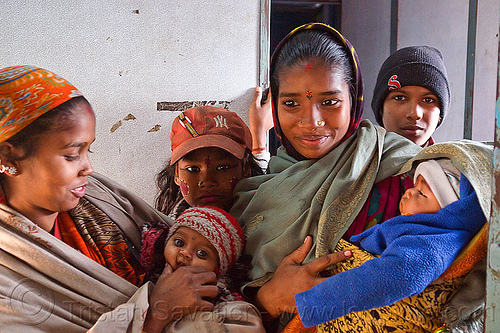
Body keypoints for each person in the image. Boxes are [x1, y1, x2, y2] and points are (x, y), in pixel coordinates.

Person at [229, 23, 492, 332]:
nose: (311, 120)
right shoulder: (254, 192)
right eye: (291, 103)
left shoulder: (411, 177)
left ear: (353, 99)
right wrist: (268, 298)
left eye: (329, 102)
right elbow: (221, 295)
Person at [0, 65, 220, 333]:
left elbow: (193, 238)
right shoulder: (7, 272)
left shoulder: (95, 195)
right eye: (71, 155)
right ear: (8, 157)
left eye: (88, 150)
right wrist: (156, 314)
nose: (88, 168)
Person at [293, 158, 485, 326]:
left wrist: (314, 301)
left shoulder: (433, 243)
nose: (409, 192)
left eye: (422, 193)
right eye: (414, 187)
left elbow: (396, 276)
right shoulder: (423, 229)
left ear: (449, 210)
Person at [140, 206, 265, 332]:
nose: (185, 253)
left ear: (218, 270)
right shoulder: (144, 273)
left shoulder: (225, 301)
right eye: (179, 242)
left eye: (201, 253)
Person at [155, 106, 263, 218]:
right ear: (176, 174)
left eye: (223, 168)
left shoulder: (266, 221)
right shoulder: (165, 231)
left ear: (245, 168)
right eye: (193, 169)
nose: (207, 181)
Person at [371, 45, 450, 147]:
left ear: (440, 114)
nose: (414, 114)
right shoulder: (355, 160)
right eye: (400, 98)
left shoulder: (456, 162)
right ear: (381, 108)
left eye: (428, 100)